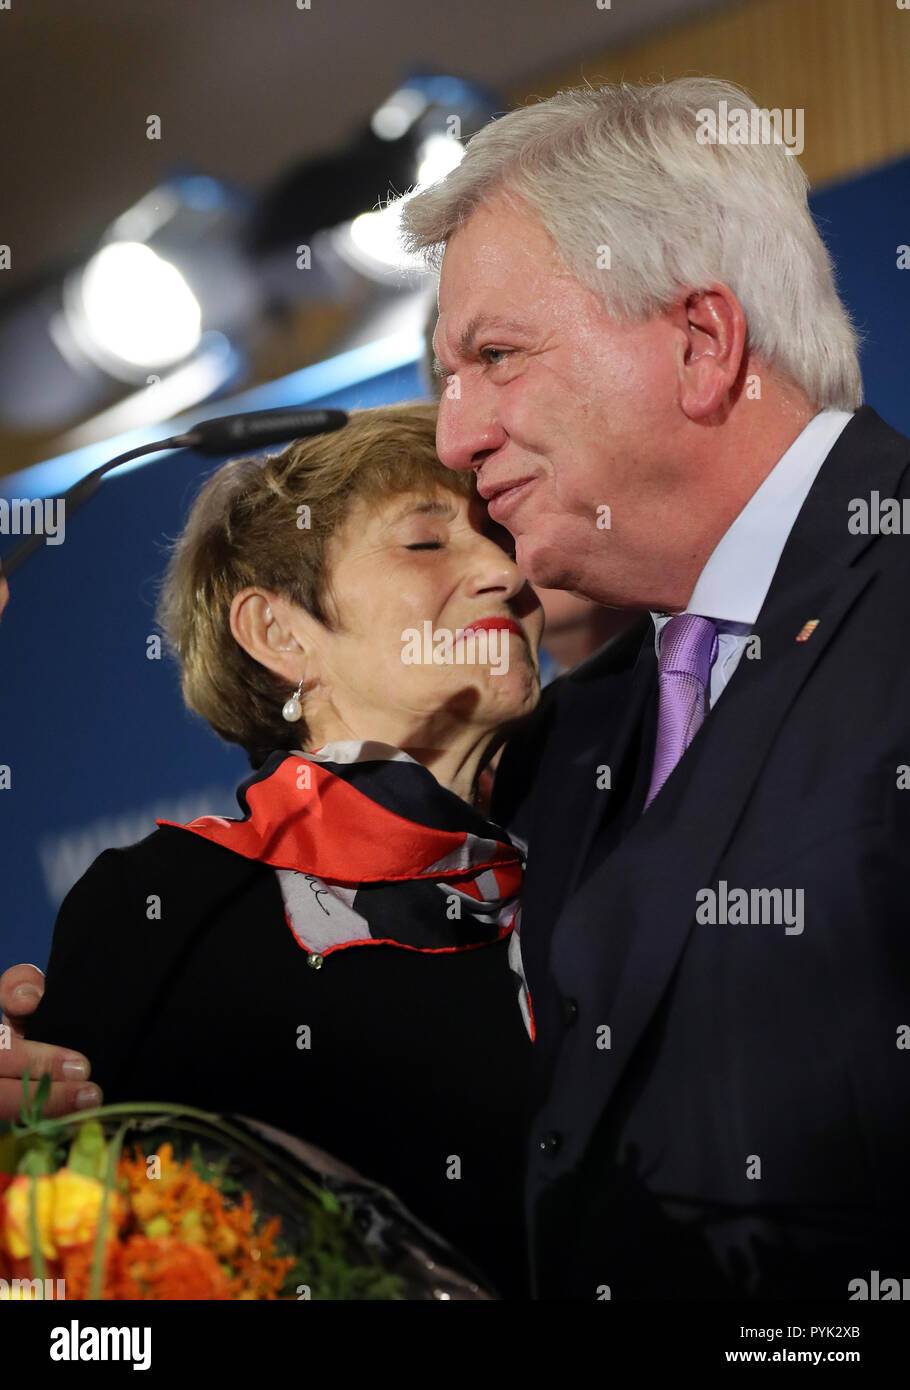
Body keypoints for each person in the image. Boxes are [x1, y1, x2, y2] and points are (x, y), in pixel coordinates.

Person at [399, 76, 910, 1298]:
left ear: (699, 343)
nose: (452, 439)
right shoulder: (571, 727)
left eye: (496, 357)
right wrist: (107, 1067)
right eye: (445, 376)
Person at [14, 401, 544, 1298]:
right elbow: (73, 1266)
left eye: (501, 535)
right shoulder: (166, 906)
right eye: (426, 543)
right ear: (281, 634)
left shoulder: (612, 850)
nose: (504, 571)